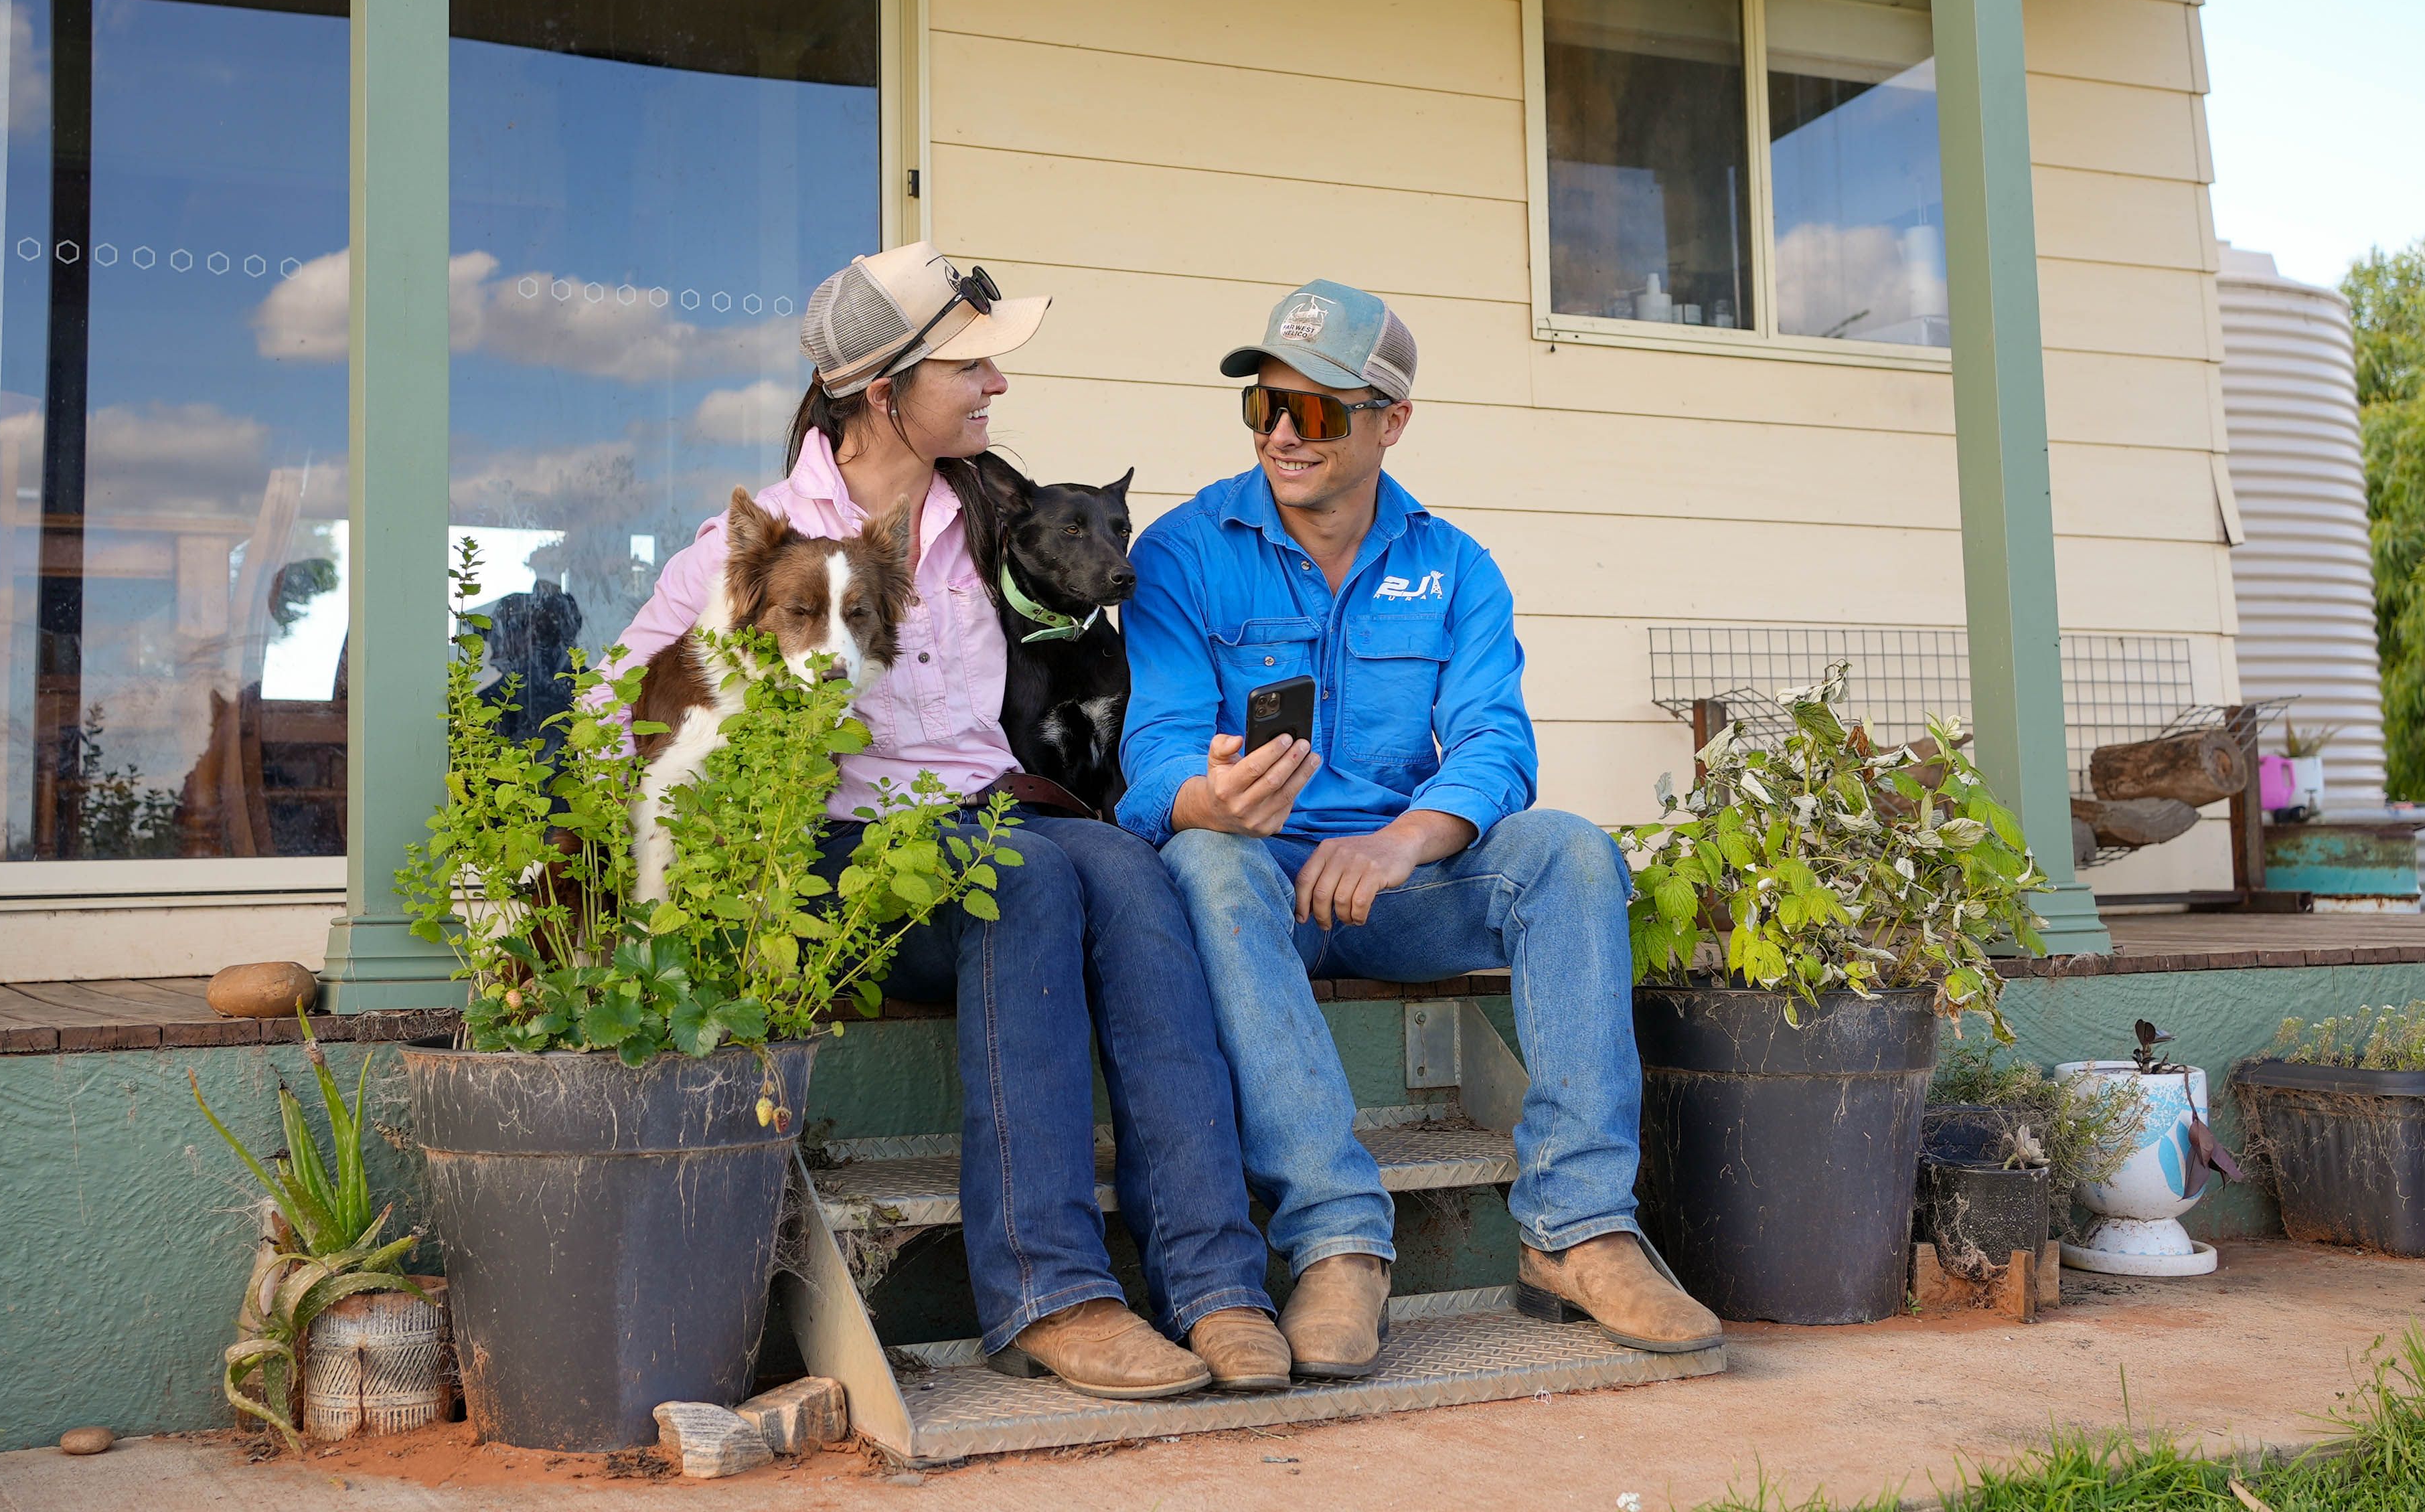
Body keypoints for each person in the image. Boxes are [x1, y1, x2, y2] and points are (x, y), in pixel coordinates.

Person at [612, 244, 1287, 1400]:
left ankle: (1216, 1280)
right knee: (1025, 881)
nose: (997, 389)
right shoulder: (762, 542)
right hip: (843, 859)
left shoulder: (991, 521)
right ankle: (1050, 1293)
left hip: (990, 818)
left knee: (1133, 870)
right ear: (885, 391)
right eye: (971, 367)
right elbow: (617, 711)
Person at [1116, 278, 1725, 1379]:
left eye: (1321, 412)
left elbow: (1498, 745)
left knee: (1571, 850)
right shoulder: (1182, 553)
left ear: (1392, 422)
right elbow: (1154, 751)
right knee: (1204, 860)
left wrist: (1400, 843)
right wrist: (1206, 797)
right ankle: (1338, 1242)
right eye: (1266, 407)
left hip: (1403, 888)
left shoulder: (1455, 567)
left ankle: (1578, 1228)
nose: (1285, 436)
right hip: (1260, 888)